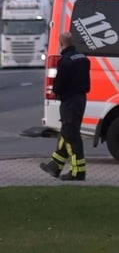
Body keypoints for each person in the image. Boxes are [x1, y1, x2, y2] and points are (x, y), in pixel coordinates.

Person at [40, 32, 91, 181]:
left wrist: (56, 91)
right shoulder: (83, 58)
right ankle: (54, 166)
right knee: (66, 132)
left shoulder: (65, 61)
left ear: (61, 43)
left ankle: (78, 172)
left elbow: (59, 85)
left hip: (69, 101)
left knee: (71, 135)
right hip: (81, 99)